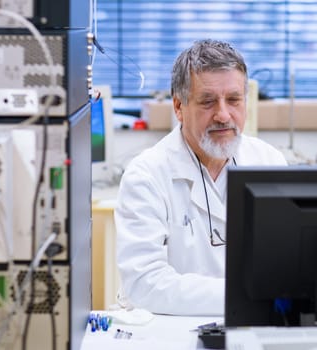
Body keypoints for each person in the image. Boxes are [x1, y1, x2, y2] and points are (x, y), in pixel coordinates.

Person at [115, 39, 287, 316]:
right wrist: (245, 294)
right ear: (179, 107)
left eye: (233, 100)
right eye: (208, 101)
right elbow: (145, 284)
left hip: (254, 325)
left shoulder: (269, 162)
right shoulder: (147, 175)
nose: (223, 114)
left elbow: (288, 262)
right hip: (171, 331)